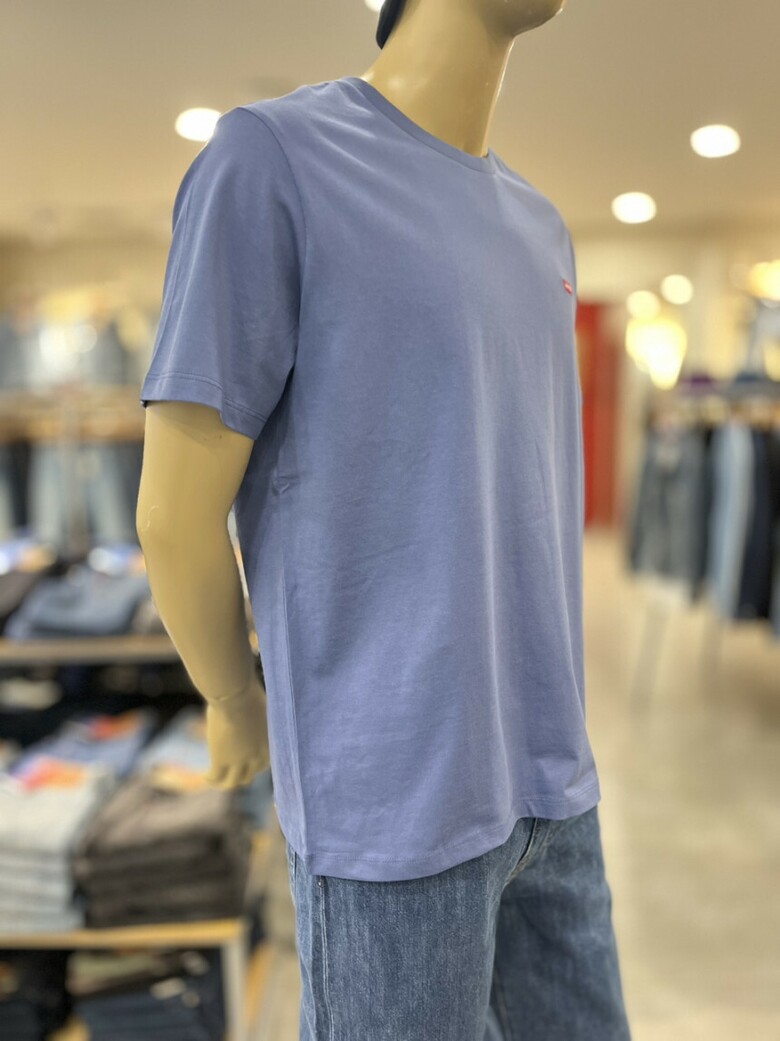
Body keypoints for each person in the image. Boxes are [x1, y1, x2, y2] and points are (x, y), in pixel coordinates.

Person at [136, 0, 633, 1037]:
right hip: (393, 813)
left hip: (555, 788)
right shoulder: (271, 161)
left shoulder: (539, 224)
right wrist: (234, 695)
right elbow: (174, 516)